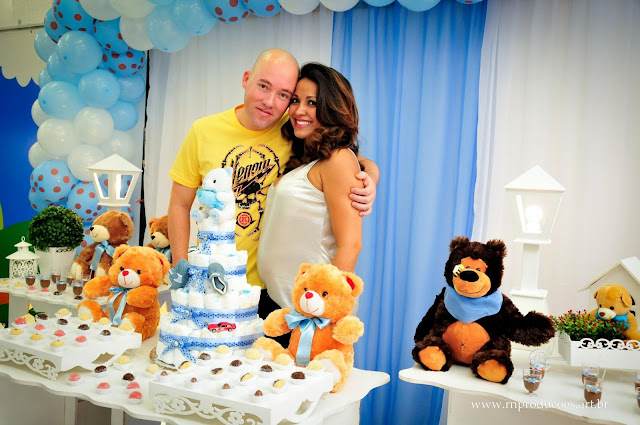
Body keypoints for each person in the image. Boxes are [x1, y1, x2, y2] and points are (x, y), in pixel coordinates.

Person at [167, 49, 379, 317]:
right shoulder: (205, 131)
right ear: (246, 79)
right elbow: (179, 204)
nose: (270, 102)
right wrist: (182, 270)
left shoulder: (294, 127)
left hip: (275, 294)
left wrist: (371, 176)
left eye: (284, 95)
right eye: (263, 86)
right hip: (214, 284)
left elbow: (347, 158)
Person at [257, 63, 364, 315]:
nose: (299, 110)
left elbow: (350, 245)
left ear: (332, 108)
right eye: (295, 100)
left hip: (311, 313)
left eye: (312, 103)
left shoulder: (338, 159)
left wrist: (324, 312)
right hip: (279, 304)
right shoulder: (308, 158)